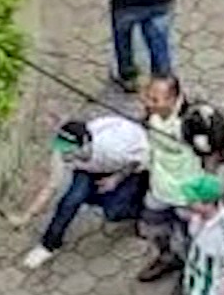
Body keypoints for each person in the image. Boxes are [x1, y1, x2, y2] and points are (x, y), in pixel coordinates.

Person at [17, 115, 150, 270]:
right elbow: (51, 187)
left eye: (70, 152)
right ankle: (49, 244)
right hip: (89, 169)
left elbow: (138, 160)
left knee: (113, 213)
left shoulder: (114, 149)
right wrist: (27, 216)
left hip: (125, 167)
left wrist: (116, 178)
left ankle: (143, 211)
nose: (66, 157)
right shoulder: (62, 152)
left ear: (86, 144)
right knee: (71, 200)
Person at [136, 75, 204, 283]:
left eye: (156, 100)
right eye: (149, 97)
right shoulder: (150, 116)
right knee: (155, 226)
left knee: (190, 235)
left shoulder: (192, 122)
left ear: (174, 99)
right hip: (159, 186)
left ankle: (191, 272)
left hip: (186, 192)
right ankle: (167, 257)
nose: (149, 103)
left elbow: (213, 154)